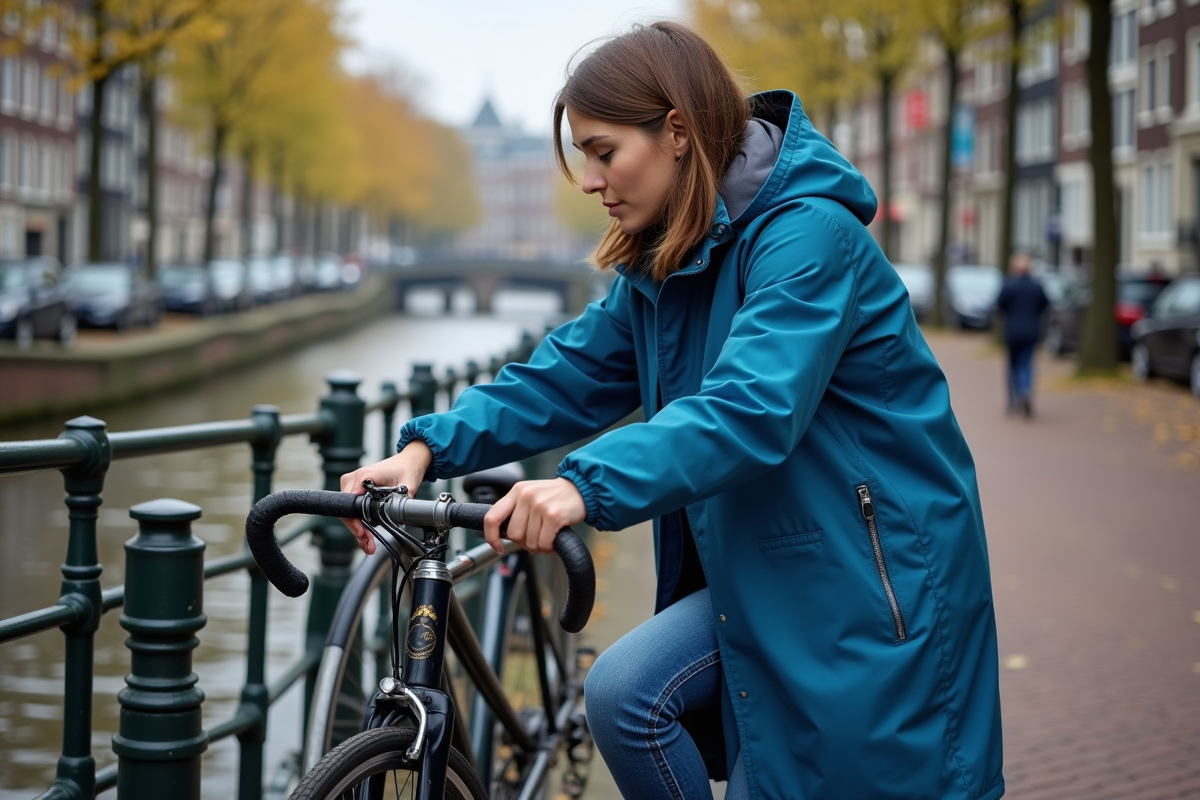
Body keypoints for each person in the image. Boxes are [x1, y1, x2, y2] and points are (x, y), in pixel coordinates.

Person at [339, 22, 1003, 800]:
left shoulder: (808, 238)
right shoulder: (670, 258)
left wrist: (582, 485)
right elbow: (569, 373)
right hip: (767, 564)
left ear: (678, 133)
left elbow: (751, 406)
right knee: (626, 693)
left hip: (867, 584)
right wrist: (425, 448)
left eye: (603, 151)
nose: (590, 181)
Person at [995, 252, 1049, 418]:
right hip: (1031, 331)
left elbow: (999, 305)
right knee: (1026, 364)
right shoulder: (1037, 286)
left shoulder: (1009, 285)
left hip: (1012, 331)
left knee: (1012, 366)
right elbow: (1045, 304)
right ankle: (1025, 390)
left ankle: (1012, 400)